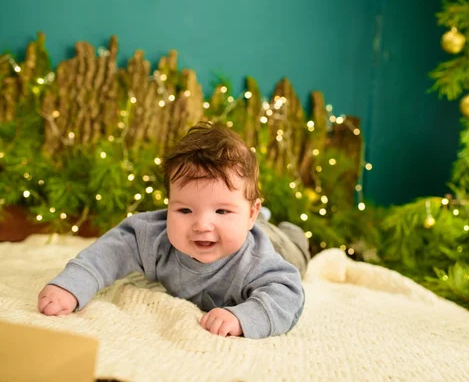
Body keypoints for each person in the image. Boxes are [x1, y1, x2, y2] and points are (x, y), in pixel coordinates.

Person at [37, 122, 305, 339]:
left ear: (250, 212)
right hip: (245, 223)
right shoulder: (154, 236)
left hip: (278, 243)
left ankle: (282, 229)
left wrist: (243, 317)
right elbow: (113, 250)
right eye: (185, 210)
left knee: (295, 250)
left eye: (221, 211)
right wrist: (72, 285)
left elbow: (288, 294)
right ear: (169, 205)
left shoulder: (258, 262)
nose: (201, 225)